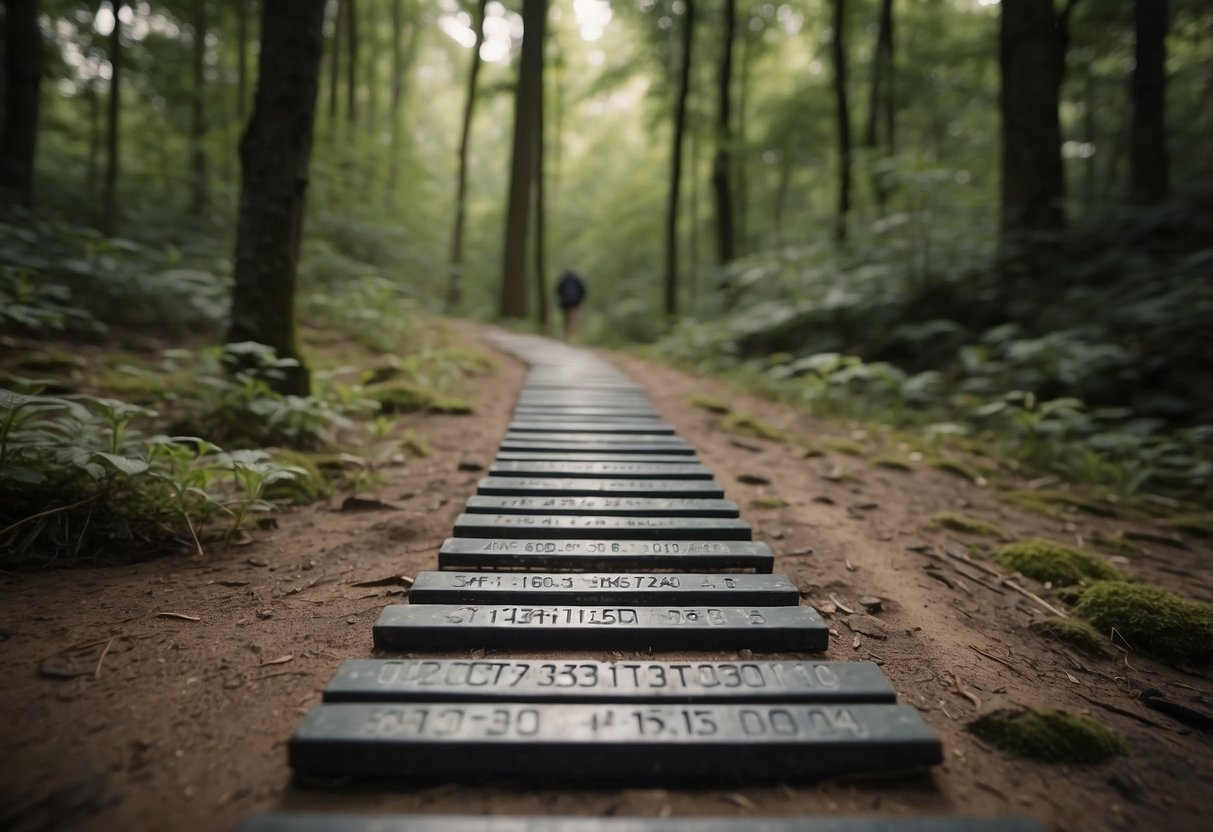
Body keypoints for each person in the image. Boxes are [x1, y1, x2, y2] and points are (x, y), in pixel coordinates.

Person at [555, 267, 587, 339]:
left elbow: (558, 291)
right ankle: (572, 335)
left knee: (566, 318)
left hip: (565, 302)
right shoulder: (578, 280)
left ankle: (566, 334)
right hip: (575, 302)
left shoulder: (563, 280)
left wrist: (562, 298)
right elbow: (583, 291)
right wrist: (580, 299)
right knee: (574, 318)